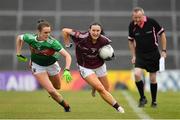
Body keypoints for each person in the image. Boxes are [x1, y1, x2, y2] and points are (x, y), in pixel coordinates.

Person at [61, 22, 125, 113]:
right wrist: (67, 44)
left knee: (106, 89)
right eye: (93, 30)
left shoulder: (104, 40)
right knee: (100, 88)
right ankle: (119, 109)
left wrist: (108, 54)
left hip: (99, 65)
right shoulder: (80, 37)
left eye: (98, 30)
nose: (95, 33)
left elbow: (109, 52)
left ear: (100, 31)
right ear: (89, 30)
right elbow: (64, 31)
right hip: (85, 67)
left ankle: (94, 87)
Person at [16, 19, 72, 112]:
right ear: (38, 32)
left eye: (49, 32)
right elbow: (19, 38)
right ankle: (67, 107)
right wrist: (18, 53)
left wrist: (67, 70)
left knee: (57, 87)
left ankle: (52, 91)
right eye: (45, 32)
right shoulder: (30, 38)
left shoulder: (53, 43)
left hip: (52, 65)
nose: (48, 35)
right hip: (37, 66)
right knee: (51, 91)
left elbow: (67, 56)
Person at [128, 7, 167, 108]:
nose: (137, 20)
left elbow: (162, 34)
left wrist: (163, 50)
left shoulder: (152, 22)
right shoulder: (132, 25)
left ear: (143, 15)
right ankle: (142, 98)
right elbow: (130, 41)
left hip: (153, 54)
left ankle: (154, 101)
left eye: (139, 17)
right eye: (135, 17)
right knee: (136, 74)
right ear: (133, 16)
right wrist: (133, 56)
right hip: (140, 54)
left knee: (153, 78)